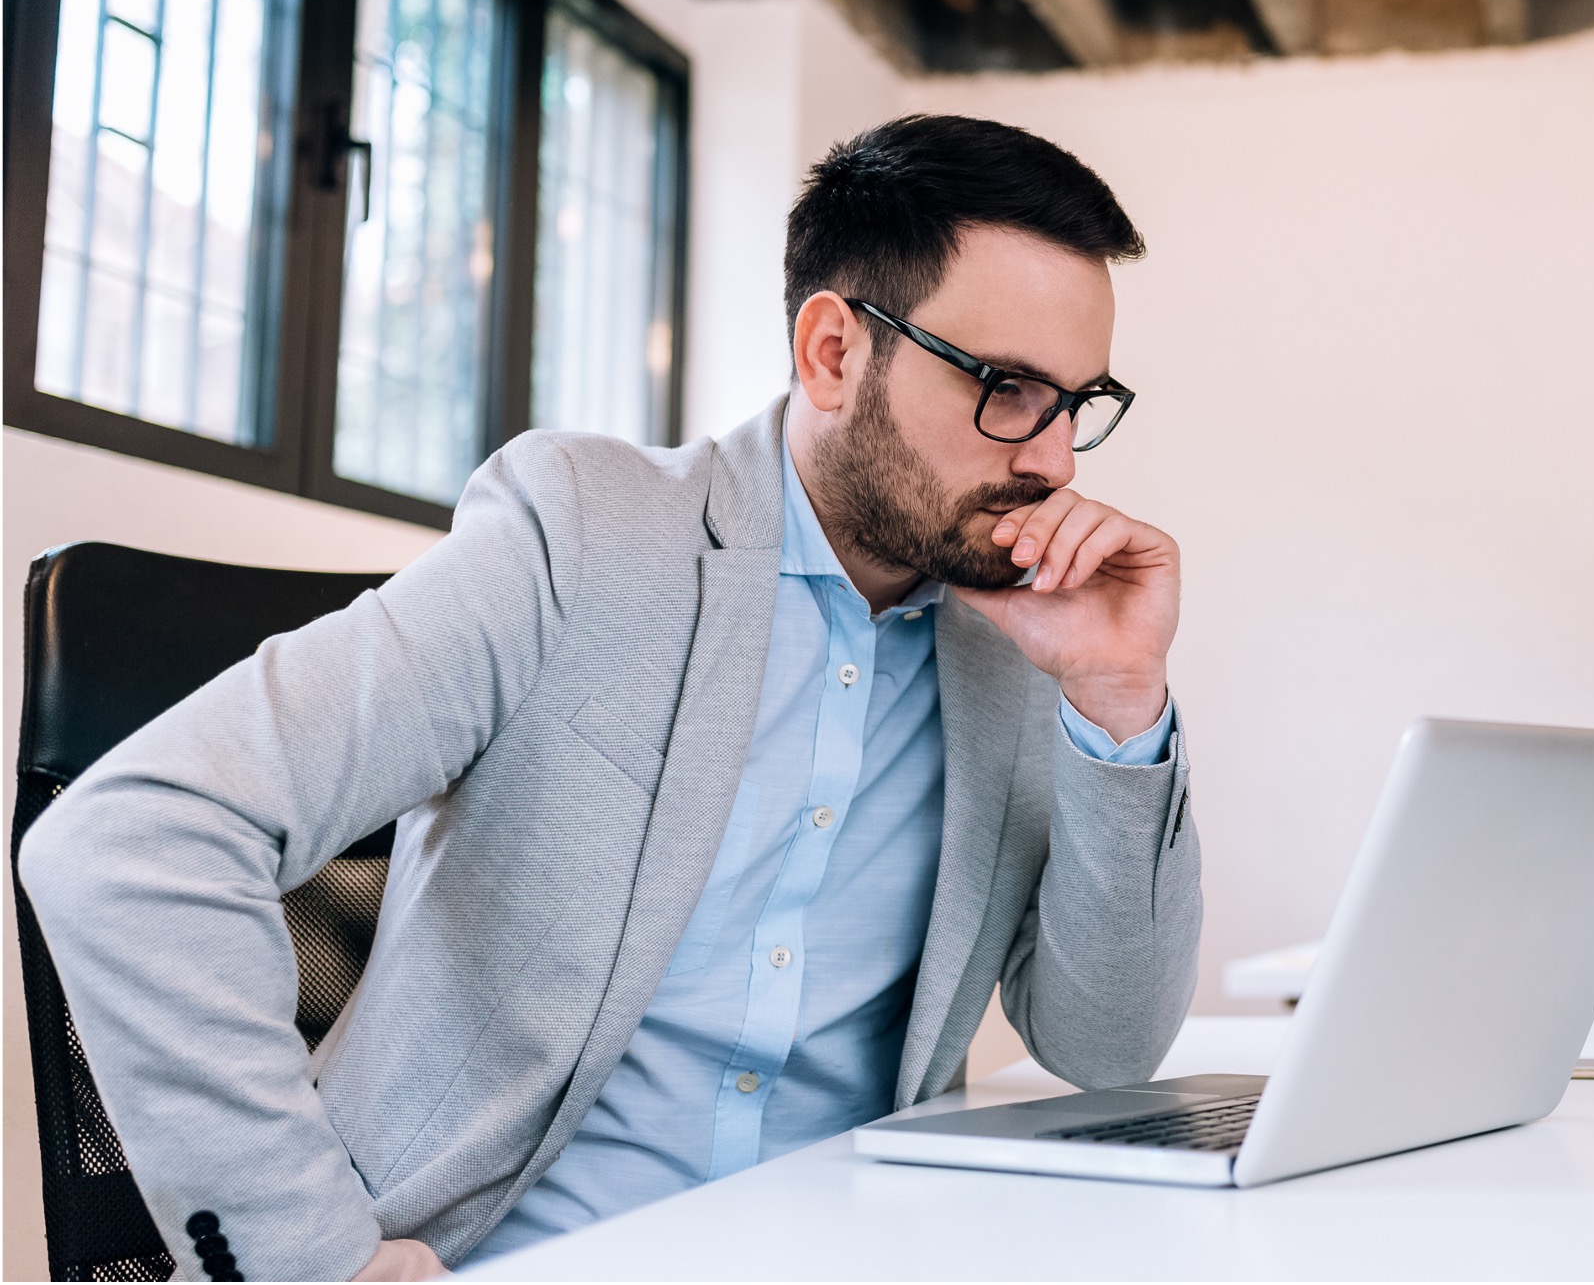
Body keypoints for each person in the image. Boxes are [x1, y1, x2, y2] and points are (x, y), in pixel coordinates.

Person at [19, 115, 1202, 1281]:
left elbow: (1102, 1048)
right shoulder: (582, 533)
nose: (1053, 460)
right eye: (1005, 387)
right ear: (833, 351)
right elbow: (128, 842)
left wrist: (1116, 699)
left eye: (1076, 401)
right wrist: (307, 1261)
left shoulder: (1008, 639)